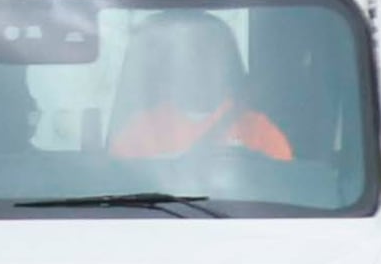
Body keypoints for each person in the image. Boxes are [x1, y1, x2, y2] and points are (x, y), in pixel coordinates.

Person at [106, 8, 291, 163]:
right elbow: (118, 191)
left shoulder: (257, 132)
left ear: (228, 66)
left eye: (209, 55)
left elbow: (283, 190)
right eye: (191, 56)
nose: (200, 64)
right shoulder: (140, 132)